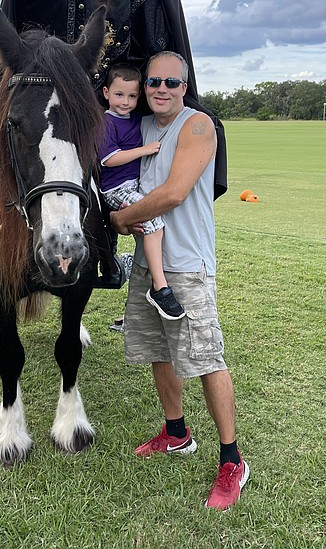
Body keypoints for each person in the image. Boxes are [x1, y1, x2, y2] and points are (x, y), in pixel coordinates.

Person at [110, 51, 247, 511]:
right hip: (150, 265)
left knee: (206, 358)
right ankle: (176, 433)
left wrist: (118, 219)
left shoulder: (198, 126)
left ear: (184, 86)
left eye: (171, 81)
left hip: (187, 265)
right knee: (158, 351)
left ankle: (232, 459)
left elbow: (174, 192)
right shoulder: (143, 126)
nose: (161, 88)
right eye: (153, 82)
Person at [99, 63, 185, 320]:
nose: (125, 102)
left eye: (132, 96)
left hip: (133, 187)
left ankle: (134, 278)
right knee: (155, 224)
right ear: (106, 93)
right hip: (115, 189)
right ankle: (159, 287)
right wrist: (145, 150)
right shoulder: (105, 122)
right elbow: (109, 159)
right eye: (119, 95)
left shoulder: (136, 120)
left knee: (149, 228)